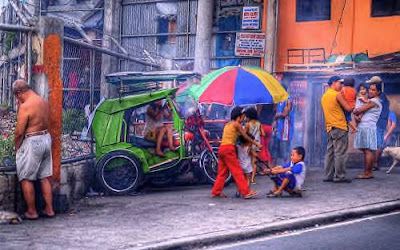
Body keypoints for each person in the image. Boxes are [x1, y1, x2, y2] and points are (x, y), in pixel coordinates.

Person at [13, 79, 55, 220]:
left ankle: (32, 211)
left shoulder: (26, 107)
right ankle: (49, 209)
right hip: (45, 138)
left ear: (18, 93)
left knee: (26, 177)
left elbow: (19, 132)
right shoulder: (42, 101)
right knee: (44, 176)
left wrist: (17, 147)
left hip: (32, 141)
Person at [211, 107, 261, 199]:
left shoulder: (228, 124)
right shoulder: (236, 124)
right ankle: (246, 192)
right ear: (238, 117)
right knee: (237, 171)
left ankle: (216, 191)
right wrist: (256, 143)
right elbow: (245, 136)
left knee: (222, 172)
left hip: (222, 148)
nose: (243, 119)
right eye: (243, 117)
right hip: (229, 149)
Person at [321, 76, 353, 183]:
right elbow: (348, 108)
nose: (342, 85)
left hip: (330, 127)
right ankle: (339, 176)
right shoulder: (336, 94)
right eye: (340, 83)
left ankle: (327, 175)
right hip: (339, 126)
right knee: (340, 153)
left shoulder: (325, 96)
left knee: (330, 152)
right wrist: (354, 104)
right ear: (334, 83)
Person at [353, 82, 383, 179]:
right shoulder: (373, 101)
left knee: (367, 151)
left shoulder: (374, 101)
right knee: (368, 150)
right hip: (369, 127)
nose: (370, 91)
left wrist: (354, 110)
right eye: (369, 89)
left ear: (378, 92)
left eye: (373, 90)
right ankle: (368, 172)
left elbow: (358, 110)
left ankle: (367, 173)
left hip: (366, 127)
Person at [368, 77, 391, 171]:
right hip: (381, 122)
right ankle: (375, 163)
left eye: (372, 89)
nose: (370, 91)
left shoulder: (379, 98)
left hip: (378, 123)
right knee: (378, 143)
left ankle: (375, 163)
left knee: (377, 144)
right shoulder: (383, 97)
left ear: (377, 90)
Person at [270, 94, 294, 167]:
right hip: (276, 129)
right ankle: (273, 167)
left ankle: (287, 167)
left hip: (285, 130)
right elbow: (274, 110)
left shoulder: (288, 100)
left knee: (285, 151)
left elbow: (284, 114)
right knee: (274, 149)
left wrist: (275, 116)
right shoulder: (277, 99)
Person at [245, 107, 264, 184]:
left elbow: (245, 134)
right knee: (254, 162)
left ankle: (248, 179)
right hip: (257, 145)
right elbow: (263, 134)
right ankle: (252, 179)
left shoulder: (248, 124)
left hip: (250, 144)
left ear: (249, 116)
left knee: (248, 161)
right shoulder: (259, 124)